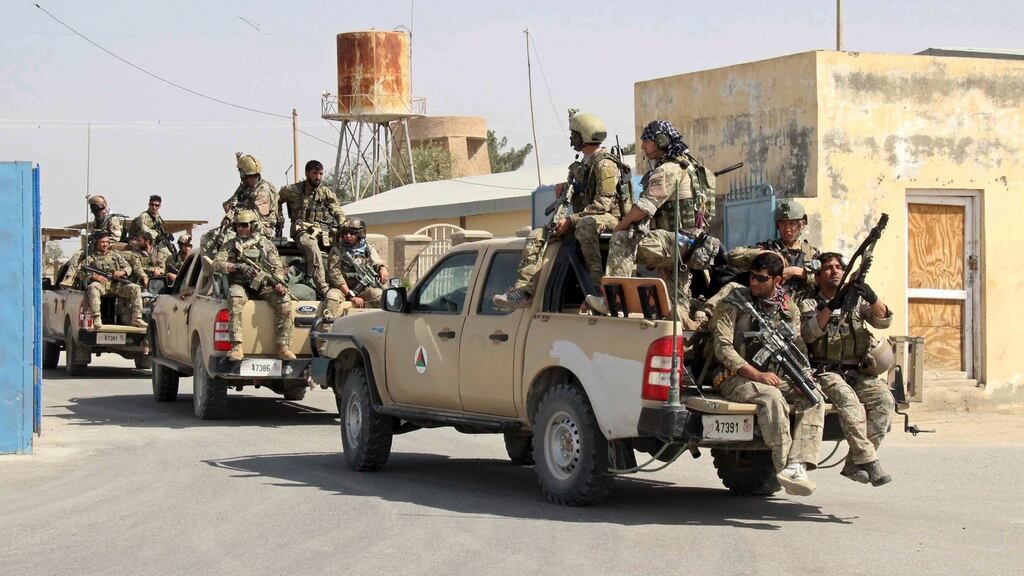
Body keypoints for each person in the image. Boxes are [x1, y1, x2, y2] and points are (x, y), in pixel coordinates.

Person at [709, 252, 824, 496]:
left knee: (812, 397)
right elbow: (723, 348)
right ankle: (783, 466)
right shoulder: (734, 301)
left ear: (777, 281)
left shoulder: (788, 309)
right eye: (751, 276)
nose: (753, 283)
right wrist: (756, 375)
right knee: (771, 397)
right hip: (733, 376)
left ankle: (797, 464)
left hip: (773, 376)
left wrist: (804, 375)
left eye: (761, 279)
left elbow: (797, 346)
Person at [493, 110, 629, 309]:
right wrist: (565, 189)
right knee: (538, 235)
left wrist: (571, 221)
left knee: (584, 226)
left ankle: (600, 290)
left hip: (607, 218)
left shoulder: (605, 164)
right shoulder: (580, 165)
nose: (572, 138)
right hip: (583, 217)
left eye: (574, 134)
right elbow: (577, 191)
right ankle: (523, 290)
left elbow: (603, 205)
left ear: (584, 136)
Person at [585, 120, 702, 326]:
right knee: (675, 310)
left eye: (646, 141)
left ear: (661, 140)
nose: (643, 147)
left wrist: (621, 225)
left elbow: (645, 207)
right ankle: (687, 337)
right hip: (689, 245)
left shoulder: (669, 169)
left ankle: (613, 302)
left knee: (622, 240)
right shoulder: (688, 165)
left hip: (677, 241)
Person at [800, 252, 894, 486]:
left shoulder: (857, 302)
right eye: (828, 268)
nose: (834, 271)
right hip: (826, 372)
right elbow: (810, 332)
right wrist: (833, 306)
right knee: (850, 404)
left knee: (884, 401)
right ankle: (870, 462)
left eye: (839, 267)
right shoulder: (809, 302)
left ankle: (853, 464)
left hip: (858, 372)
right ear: (819, 277)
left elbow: (883, 320)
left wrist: (872, 298)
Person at [213, 210, 295, 361]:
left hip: (262, 285)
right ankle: (236, 346)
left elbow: (277, 267)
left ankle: (283, 347)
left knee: (284, 301)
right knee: (235, 297)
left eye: (244, 225)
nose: (241, 229)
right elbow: (216, 264)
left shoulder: (266, 245)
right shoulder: (230, 245)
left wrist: (278, 284)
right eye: (238, 226)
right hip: (240, 284)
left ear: (253, 226)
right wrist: (237, 266)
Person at [276, 159, 345, 295]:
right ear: (307, 173)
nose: (318, 177)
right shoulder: (292, 190)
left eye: (320, 174)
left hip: (322, 231)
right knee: (312, 247)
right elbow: (275, 200)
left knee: (341, 248)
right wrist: (278, 216)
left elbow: (338, 210)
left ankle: (342, 284)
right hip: (301, 231)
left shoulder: (325, 192)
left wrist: (343, 224)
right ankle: (322, 287)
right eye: (314, 173)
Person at [727, 199, 820, 295]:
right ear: (777, 225)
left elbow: (824, 281)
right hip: (770, 305)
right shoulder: (768, 247)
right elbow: (732, 256)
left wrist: (798, 272)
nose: (787, 229)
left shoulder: (811, 253)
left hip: (804, 306)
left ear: (802, 224)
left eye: (792, 223)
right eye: (783, 224)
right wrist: (765, 253)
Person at [77, 231, 147, 330]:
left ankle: (137, 318)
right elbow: (80, 272)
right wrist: (93, 276)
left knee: (135, 288)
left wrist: (122, 272)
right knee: (93, 287)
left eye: (107, 242)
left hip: (117, 284)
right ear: (96, 243)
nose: (105, 244)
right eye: (102, 242)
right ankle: (96, 318)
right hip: (103, 285)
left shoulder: (115, 255)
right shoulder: (91, 257)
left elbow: (128, 267)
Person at [323, 217, 389, 317]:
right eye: (345, 233)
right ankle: (327, 329)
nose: (348, 236)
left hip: (364, 289)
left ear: (360, 233)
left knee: (382, 297)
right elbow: (335, 275)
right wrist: (350, 295)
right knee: (332, 298)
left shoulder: (368, 248)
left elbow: (377, 262)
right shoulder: (336, 251)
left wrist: (382, 268)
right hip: (342, 289)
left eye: (352, 233)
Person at [224, 152, 278, 236]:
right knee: (210, 236)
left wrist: (236, 211)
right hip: (242, 225)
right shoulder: (245, 187)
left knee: (228, 235)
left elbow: (255, 216)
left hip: (260, 228)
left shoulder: (264, 190)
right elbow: (228, 206)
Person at [130, 195, 172, 259]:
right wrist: (158, 235)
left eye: (157, 205)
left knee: (169, 255)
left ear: (160, 206)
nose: (154, 207)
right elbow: (145, 231)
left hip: (153, 241)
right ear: (149, 204)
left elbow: (160, 228)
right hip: (140, 241)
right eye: (152, 204)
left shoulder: (157, 216)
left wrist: (165, 234)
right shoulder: (144, 216)